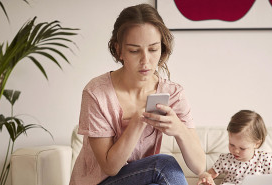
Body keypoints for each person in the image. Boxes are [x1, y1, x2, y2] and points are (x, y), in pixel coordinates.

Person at [69, 3, 206, 185]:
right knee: (163, 164)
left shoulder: (173, 93)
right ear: (119, 50)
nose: (146, 61)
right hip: (100, 181)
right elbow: (110, 168)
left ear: (162, 48)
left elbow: (199, 166)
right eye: (134, 51)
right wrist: (137, 123)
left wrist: (179, 129)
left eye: (153, 49)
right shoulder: (96, 92)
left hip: (142, 180)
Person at [197, 110, 272, 185]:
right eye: (232, 144)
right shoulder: (225, 159)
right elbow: (210, 174)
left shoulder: (265, 159)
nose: (235, 151)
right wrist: (206, 177)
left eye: (242, 148)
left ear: (256, 144)